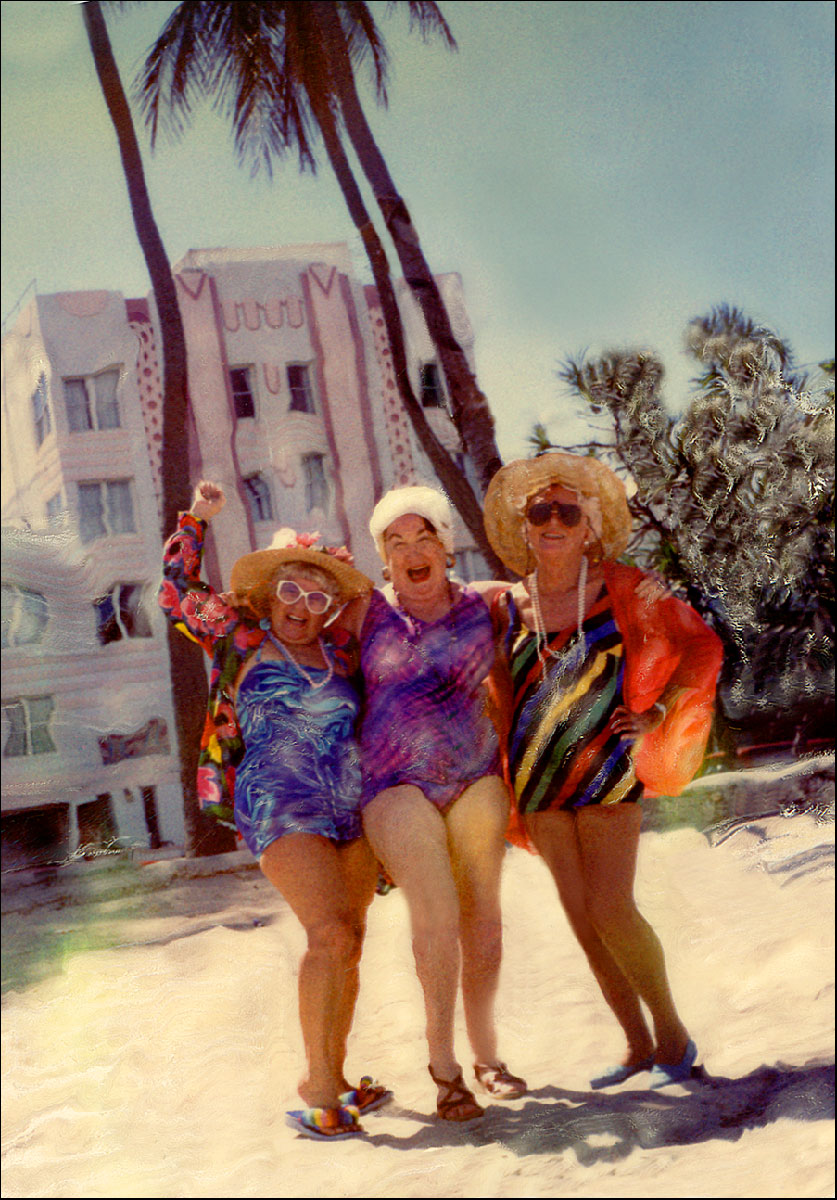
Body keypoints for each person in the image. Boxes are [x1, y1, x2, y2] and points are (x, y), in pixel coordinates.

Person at [481, 453, 723, 1089]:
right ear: (526, 526)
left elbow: (702, 644)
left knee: (612, 906)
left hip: (609, 765)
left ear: (589, 527)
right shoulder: (505, 606)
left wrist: (662, 711)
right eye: (541, 511)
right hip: (537, 776)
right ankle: (636, 1046)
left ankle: (674, 1037)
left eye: (569, 511)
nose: (554, 521)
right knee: (583, 918)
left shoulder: (627, 586)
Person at [159, 481, 387, 1141]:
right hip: (277, 799)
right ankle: (316, 1086)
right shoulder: (237, 635)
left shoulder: (341, 653)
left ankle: (336, 1080)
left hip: (350, 805)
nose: (302, 605)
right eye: (289, 589)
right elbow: (175, 588)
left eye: (318, 596)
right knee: (329, 935)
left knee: (350, 942)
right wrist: (196, 519)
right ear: (267, 594)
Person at [339, 485, 527, 1122]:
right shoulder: (364, 610)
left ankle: (488, 1055)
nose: (412, 551)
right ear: (383, 559)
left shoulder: (489, 604)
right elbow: (287, 608)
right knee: (438, 915)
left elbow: (557, 599)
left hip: (475, 774)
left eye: (424, 538)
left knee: (486, 924)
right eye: (397, 543)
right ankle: (444, 1068)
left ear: (446, 546)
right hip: (395, 785)